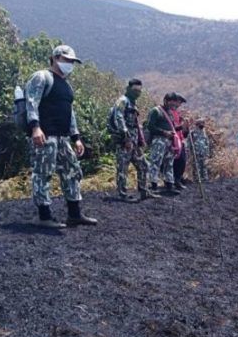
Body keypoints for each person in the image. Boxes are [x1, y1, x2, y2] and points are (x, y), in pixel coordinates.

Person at [25, 45, 97, 228]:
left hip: (63, 137)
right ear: (55, 58)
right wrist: (35, 128)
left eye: (72, 62)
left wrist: (76, 137)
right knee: (43, 173)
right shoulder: (42, 77)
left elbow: (69, 113)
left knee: (72, 171)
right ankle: (44, 217)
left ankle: (74, 214)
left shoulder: (66, 85)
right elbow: (31, 103)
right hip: (45, 135)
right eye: (67, 60)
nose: (70, 64)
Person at [112, 79, 158, 201]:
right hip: (124, 141)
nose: (137, 93)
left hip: (134, 141)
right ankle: (122, 194)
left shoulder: (132, 103)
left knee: (143, 165)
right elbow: (119, 118)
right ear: (128, 89)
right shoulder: (122, 101)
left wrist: (138, 141)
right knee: (123, 168)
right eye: (135, 90)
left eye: (139, 91)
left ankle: (144, 191)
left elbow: (135, 124)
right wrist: (126, 138)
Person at [146, 92, 184, 195]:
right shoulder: (156, 111)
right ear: (166, 101)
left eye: (174, 103)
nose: (173, 105)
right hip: (159, 140)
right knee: (155, 162)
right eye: (171, 102)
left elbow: (172, 127)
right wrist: (164, 132)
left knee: (169, 163)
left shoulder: (170, 113)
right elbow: (150, 126)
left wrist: (181, 127)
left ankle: (169, 185)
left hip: (169, 141)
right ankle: (153, 186)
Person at [165, 95, 188, 190]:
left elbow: (181, 129)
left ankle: (178, 179)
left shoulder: (177, 113)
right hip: (172, 140)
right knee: (174, 161)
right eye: (178, 102)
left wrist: (185, 128)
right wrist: (181, 126)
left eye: (180, 103)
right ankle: (173, 181)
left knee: (182, 161)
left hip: (180, 139)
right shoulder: (168, 113)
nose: (179, 104)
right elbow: (171, 127)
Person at [189, 118, 211, 182]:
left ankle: (205, 178)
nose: (202, 125)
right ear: (197, 124)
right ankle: (197, 179)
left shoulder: (204, 133)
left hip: (203, 152)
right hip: (196, 152)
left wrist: (207, 152)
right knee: (196, 165)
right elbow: (189, 143)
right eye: (201, 123)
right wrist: (190, 152)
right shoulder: (192, 133)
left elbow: (207, 143)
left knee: (204, 165)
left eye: (203, 123)